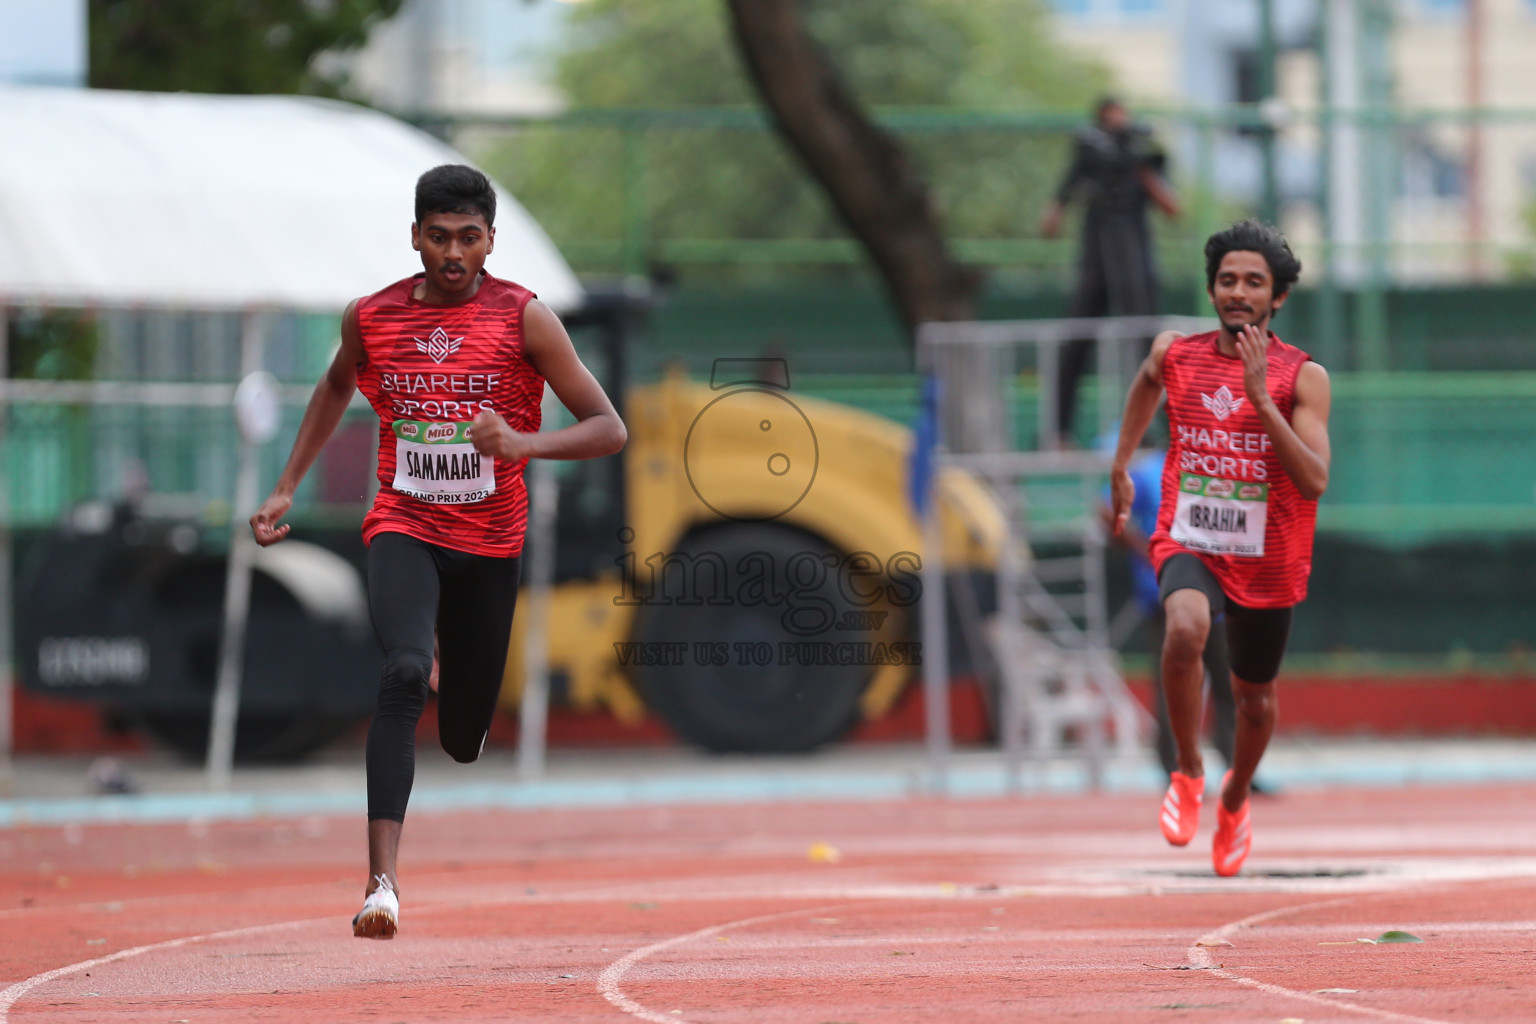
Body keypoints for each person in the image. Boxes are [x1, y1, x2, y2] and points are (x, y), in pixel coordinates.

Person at [250, 164, 627, 938]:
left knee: (461, 740)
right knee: (399, 674)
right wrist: (288, 483)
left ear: (491, 241)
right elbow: (332, 388)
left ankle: (449, 667)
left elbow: (608, 427)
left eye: (469, 237)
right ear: (415, 236)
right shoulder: (372, 317)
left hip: (491, 541)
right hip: (405, 521)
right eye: (438, 236)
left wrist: (522, 441)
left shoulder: (526, 318)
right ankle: (380, 885)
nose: (453, 252)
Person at [1110, 220, 1329, 877]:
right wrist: (1122, 462)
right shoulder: (1177, 354)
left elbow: (1315, 478)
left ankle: (1235, 798)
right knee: (1184, 627)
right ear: (1212, 289)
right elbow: (1148, 381)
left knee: (1254, 699)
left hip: (1268, 556)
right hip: (1192, 535)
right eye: (1228, 280)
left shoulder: (1303, 378)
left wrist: (1262, 401)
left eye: (1253, 283)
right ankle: (1187, 769)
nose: (1238, 292)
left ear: (1276, 298)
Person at [1041, 97, 1180, 448]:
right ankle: (1059, 430)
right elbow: (1058, 205)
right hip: (1096, 261)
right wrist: (1058, 207)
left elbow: (1171, 207)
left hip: (1135, 260)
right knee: (1076, 341)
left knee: (1148, 344)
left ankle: (1162, 429)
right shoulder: (1090, 158)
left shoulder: (1143, 156)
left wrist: (1141, 165)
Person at [1104, 443, 1236, 781]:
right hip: (1168, 594)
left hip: (1212, 592)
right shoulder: (1151, 469)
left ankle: (1225, 768)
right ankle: (1182, 771)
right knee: (1182, 683)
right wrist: (1146, 551)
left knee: (1217, 682)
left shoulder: (1212, 463)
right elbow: (1106, 509)